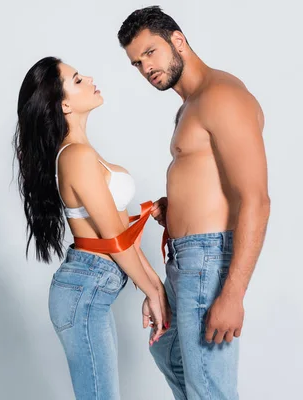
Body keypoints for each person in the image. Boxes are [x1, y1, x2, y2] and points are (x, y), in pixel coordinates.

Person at [117, 6, 270, 400]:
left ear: (178, 41)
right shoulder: (190, 106)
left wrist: (233, 295)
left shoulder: (222, 97)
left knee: (209, 389)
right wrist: (176, 208)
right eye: (136, 62)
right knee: (169, 352)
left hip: (207, 262)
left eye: (150, 52)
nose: (145, 67)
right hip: (185, 259)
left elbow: (256, 199)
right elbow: (212, 182)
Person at [13, 56, 171, 400]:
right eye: (77, 79)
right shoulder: (76, 156)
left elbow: (118, 233)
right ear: (64, 104)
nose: (89, 78)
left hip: (89, 288)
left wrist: (155, 288)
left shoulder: (84, 152)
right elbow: (115, 241)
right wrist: (154, 291)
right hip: (84, 292)